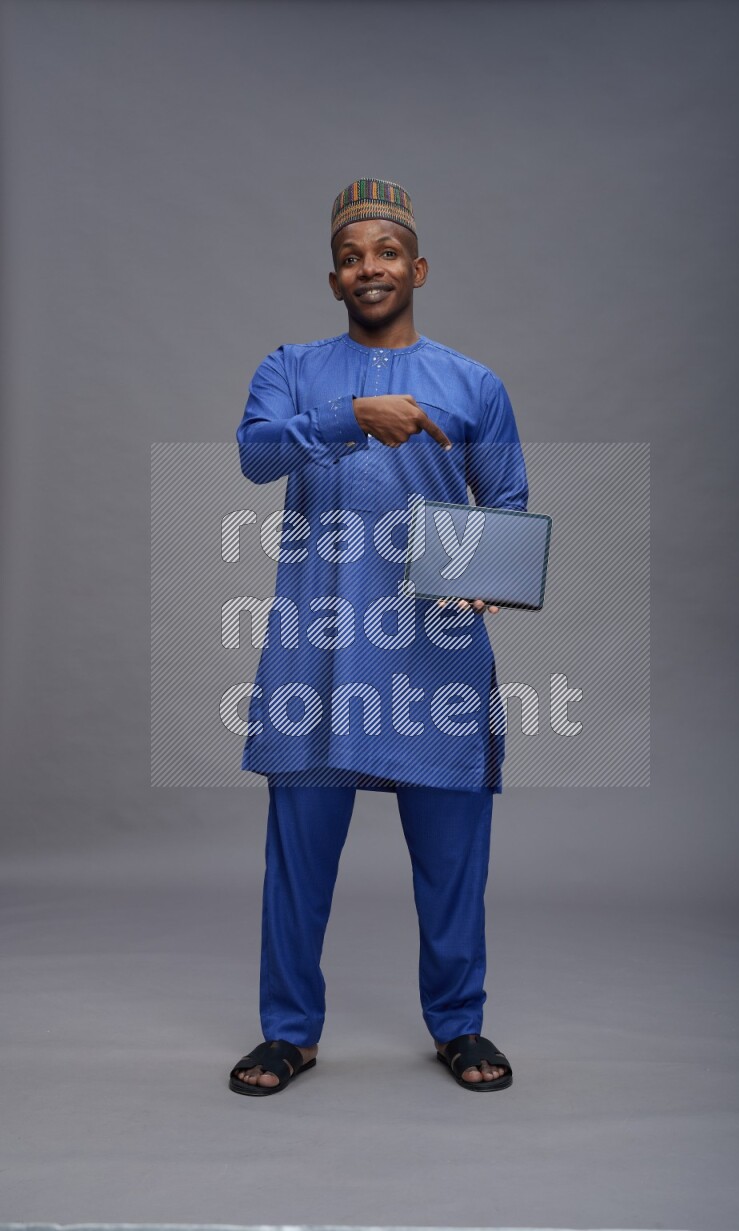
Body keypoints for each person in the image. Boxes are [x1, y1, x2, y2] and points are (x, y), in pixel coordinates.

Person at [228, 178, 527, 1095]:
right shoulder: (291, 369)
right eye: (353, 256)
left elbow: (506, 502)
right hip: (318, 652)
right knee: (298, 859)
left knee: (451, 859)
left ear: (418, 268)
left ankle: (459, 1025)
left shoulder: (473, 383)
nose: (371, 268)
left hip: (433, 655)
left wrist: (483, 581)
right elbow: (255, 454)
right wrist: (350, 418)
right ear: (334, 278)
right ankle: (289, 1032)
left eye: (387, 253)